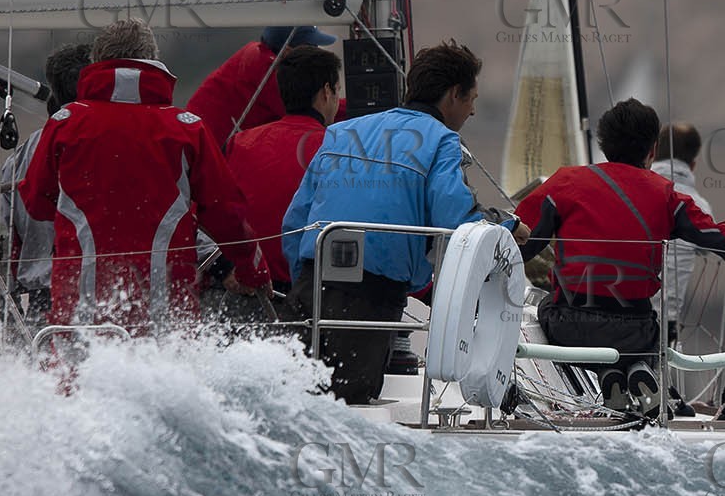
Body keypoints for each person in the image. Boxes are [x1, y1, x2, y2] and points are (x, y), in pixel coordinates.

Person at [281, 39, 528, 404]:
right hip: (372, 296)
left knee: (290, 394)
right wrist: (508, 227)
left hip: (310, 282)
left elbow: (294, 221)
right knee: (348, 403)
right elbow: (455, 219)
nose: (473, 110)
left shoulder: (342, 131)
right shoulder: (442, 141)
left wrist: (301, 279)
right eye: (472, 98)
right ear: (454, 95)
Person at [516, 99, 725, 413]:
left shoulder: (566, 183)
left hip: (572, 323)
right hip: (636, 331)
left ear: (603, 145)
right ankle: (636, 368)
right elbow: (716, 237)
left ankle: (607, 374)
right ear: (652, 150)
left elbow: (520, 240)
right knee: (643, 334)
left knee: (544, 306)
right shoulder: (666, 195)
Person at [19, 19, 270, 334]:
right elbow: (227, 213)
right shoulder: (187, 128)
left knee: (75, 379)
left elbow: (35, 205)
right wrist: (253, 270)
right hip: (167, 313)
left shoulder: (64, 125)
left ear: (97, 63)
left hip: (78, 312)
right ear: (154, 60)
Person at [222, 45, 343, 295]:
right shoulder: (339, 148)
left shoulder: (239, 143)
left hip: (244, 288)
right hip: (308, 294)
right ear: (326, 92)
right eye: (337, 90)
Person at [0, 42, 90, 316]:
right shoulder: (122, 142)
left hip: (41, 302)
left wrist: (5, 305)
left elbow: (3, 240)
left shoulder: (20, 159)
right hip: (107, 294)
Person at [186, 26, 342, 150]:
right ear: (287, 51)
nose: (316, 52)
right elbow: (311, 108)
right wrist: (361, 107)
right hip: (205, 150)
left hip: (201, 143)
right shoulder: (267, 71)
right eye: (311, 48)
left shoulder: (256, 56)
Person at [648, 122, 709, 344]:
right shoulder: (700, 206)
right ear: (692, 165)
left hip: (620, 309)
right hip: (665, 322)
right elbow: (706, 248)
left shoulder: (633, 192)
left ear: (652, 154)